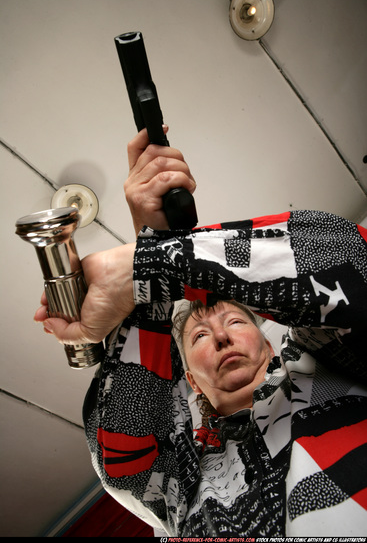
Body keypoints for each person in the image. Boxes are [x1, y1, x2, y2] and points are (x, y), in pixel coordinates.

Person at [35, 128, 367, 537]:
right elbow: (120, 450)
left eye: (234, 322)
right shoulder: (179, 478)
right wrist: (146, 269)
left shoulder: (325, 362)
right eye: (199, 338)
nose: (222, 337)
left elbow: (350, 260)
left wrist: (145, 266)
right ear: (190, 380)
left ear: (269, 342)